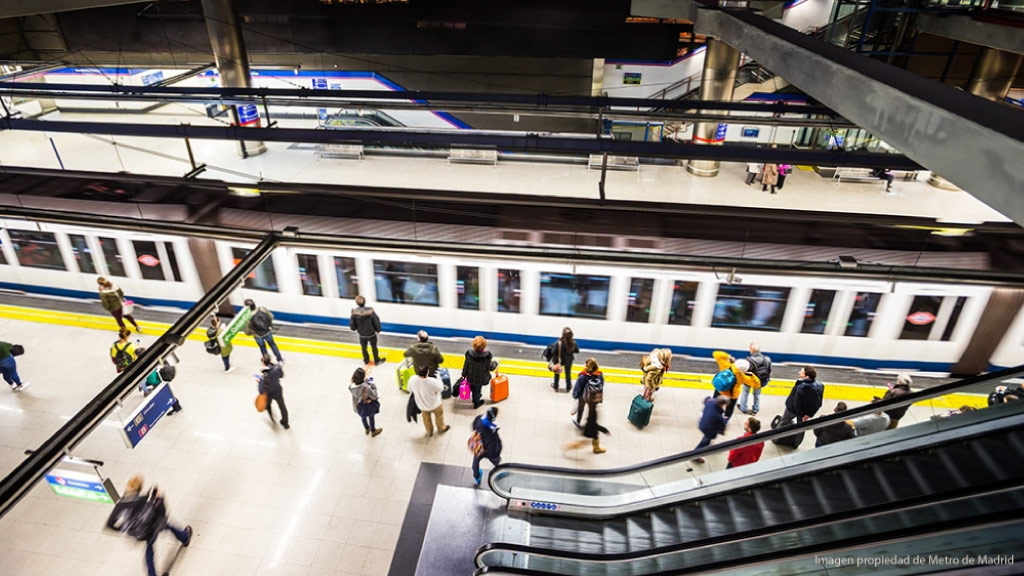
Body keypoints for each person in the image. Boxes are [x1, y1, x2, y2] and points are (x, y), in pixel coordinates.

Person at [105, 475, 192, 576]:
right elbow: (157, 510)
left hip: (138, 533)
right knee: (167, 525)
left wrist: (124, 528)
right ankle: (185, 537)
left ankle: (152, 574)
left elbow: (109, 524)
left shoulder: (120, 505)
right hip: (152, 527)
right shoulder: (142, 499)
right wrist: (159, 498)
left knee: (149, 549)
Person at [712, 351, 759, 420]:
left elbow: (715, 354)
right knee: (729, 409)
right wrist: (752, 376)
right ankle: (725, 420)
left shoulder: (726, 366)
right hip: (732, 396)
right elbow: (756, 385)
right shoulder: (743, 377)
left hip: (720, 390)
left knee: (715, 404)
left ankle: (713, 417)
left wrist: (729, 357)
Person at [408, 363, 450, 437]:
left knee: (426, 419)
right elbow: (441, 388)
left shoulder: (412, 379)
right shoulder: (432, 381)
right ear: (427, 372)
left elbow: (410, 389)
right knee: (439, 416)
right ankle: (441, 428)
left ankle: (429, 432)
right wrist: (439, 377)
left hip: (422, 406)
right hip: (435, 404)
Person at [243, 299, 283, 364]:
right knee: (273, 345)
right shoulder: (262, 309)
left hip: (258, 335)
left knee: (262, 348)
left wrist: (252, 333)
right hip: (267, 331)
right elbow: (271, 316)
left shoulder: (248, 317)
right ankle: (280, 360)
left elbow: (247, 332)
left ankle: (267, 362)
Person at [470, 407, 503, 486]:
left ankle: (476, 477)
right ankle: (499, 471)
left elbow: (473, 426)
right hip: (488, 450)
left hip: (479, 447)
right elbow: (493, 445)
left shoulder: (479, 419)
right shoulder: (491, 431)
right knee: (495, 460)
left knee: (476, 461)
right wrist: (496, 452)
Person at [461, 335, 495, 409]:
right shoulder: (487, 356)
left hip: (471, 376)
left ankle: (474, 394)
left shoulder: (469, 354)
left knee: (473, 387)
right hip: (481, 378)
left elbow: (466, 365)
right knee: (477, 389)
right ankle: (476, 402)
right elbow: (491, 367)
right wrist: (495, 363)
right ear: (484, 346)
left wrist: (464, 374)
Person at [350, 295, 385, 366]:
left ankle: (366, 361)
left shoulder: (354, 313)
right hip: (371, 333)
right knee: (374, 347)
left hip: (362, 335)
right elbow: (376, 321)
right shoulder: (370, 312)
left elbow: (352, 324)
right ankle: (376, 360)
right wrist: (378, 329)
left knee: (364, 348)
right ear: (364, 302)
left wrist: (354, 328)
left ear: (357, 303)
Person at [693, 396, 729, 464]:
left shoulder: (710, 402)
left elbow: (706, 399)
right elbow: (722, 424)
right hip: (708, 429)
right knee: (705, 441)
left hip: (702, 423)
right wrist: (725, 419)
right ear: (721, 405)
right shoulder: (718, 416)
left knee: (707, 439)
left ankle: (706, 447)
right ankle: (695, 455)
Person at [739, 343, 772, 415]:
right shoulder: (767, 359)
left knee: (745, 393)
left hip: (749, 380)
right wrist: (767, 379)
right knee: (757, 395)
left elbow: (745, 371)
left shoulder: (749, 360)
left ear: (752, 350)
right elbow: (769, 370)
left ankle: (743, 408)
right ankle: (755, 409)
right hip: (760, 381)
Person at [349, 367, 383, 437]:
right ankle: (373, 430)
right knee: (371, 417)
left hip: (358, 406)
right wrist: (372, 386)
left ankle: (367, 428)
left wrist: (365, 383)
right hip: (368, 406)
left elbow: (359, 390)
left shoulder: (351, 387)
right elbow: (374, 396)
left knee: (363, 417)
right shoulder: (367, 388)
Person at [258, 355, 289, 429]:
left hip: (269, 393)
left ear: (264, 363)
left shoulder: (264, 375)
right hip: (278, 390)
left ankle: (272, 418)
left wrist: (259, 382)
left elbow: (261, 390)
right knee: (282, 405)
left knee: (267, 405)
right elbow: (281, 375)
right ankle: (285, 421)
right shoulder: (277, 368)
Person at [572, 358, 604, 428]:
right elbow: (601, 384)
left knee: (581, 409)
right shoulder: (599, 375)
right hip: (593, 396)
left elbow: (578, 387)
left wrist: (575, 396)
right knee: (591, 410)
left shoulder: (583, 376)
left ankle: (578, 421)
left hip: (583, 397)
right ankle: (590, 423)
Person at [545, 327, 579, 392]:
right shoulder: (573, 342)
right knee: (568, 373)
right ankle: (568, 387)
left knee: (557, 373)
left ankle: (556, 386)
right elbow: (577, 350)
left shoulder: (559, 342)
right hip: (568, 360)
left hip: (558, 359)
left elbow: (553, 351)